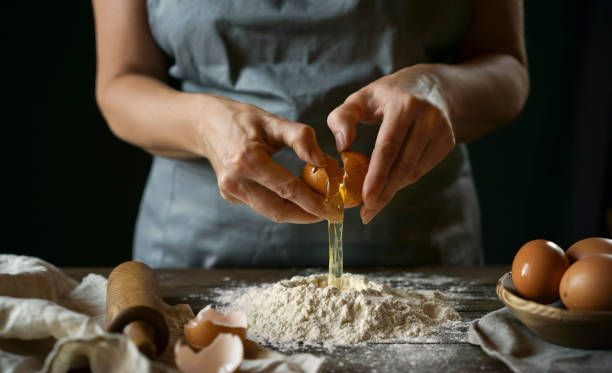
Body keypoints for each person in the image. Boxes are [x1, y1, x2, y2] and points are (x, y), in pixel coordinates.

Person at [92, 0, 528, 268]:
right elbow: (120, 83)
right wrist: (206, 125)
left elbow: (507, 67)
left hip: (416, 253)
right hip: (199, 257)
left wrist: (441, 90)